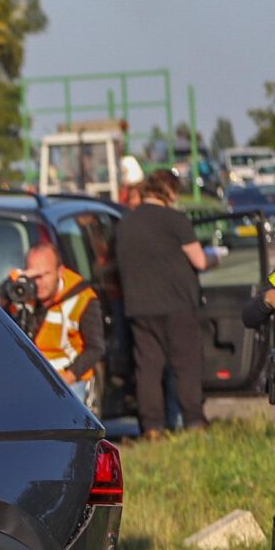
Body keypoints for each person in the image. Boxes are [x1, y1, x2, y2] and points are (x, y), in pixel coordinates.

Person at [115, 170, 217, 437]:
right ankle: (194, 421)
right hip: (177, 305)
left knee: (148, 368)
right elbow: (200, 261)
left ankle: (152, 428)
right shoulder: (176, 220)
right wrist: (215, 256)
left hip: (139, 306)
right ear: (169, 192)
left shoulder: (125, 223)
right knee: (186, 365)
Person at [19, 241, 104, 410]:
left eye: (45, 275)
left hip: (70, 382)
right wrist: (10, 290)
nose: (39, 283)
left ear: (60, 271)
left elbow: (96, 348)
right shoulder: (21, 292)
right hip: (32, 382)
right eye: (34, 276)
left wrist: (65, 379)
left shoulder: (83, 299)